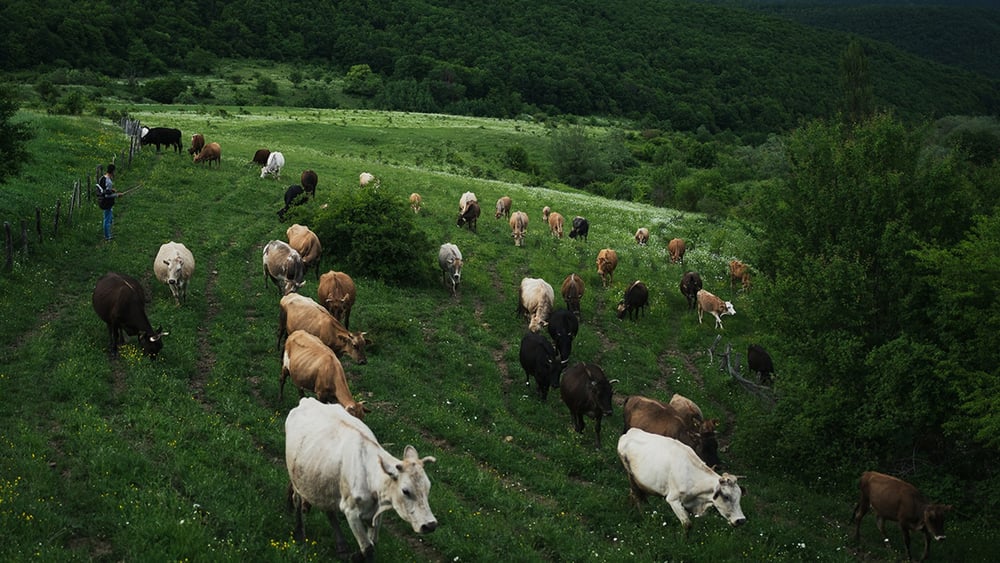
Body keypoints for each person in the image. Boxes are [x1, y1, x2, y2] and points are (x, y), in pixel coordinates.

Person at [97, 164, 123, 241]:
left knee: (109, 218)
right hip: (107, 202)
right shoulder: (108, 182)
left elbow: (105, 190)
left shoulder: (102, 178)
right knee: (107, 220)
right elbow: (107, 195)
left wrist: (112, 190)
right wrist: (117, 195)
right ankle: (107, 236)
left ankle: (108, 234)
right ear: (113, 171)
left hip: (102, 201)